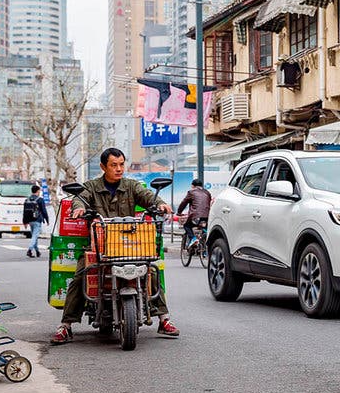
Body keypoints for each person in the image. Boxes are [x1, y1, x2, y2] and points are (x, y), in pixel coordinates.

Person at [50, 148, 179, 345]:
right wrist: (80, 208)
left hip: (129, 245)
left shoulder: (130, 186)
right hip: (100, 246)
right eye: (113, 165)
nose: (119, 169)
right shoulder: (92, 186)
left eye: (121, 164)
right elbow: (79, 198)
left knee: (151, 270)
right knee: (81, 275)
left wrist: (160, 204)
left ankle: (163, 319)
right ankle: (66, 326)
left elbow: (147, 196)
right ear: (103, 167)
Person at [177, 178, 212, 247]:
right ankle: (205, 248)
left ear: (193, 186)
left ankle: (193, 238)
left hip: (196, 217)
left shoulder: (191, 192)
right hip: (207, 216)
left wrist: (179, 212)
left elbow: (184, 203)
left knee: (187, 226)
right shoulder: (207, 192)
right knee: (205, 229)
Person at [24, 184, 50, 258]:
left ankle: (37, 251)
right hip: (37, 220)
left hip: (30, 220)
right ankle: (29, 249)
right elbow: (44, 211)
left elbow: (25, 212)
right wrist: (47, 220)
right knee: (35, 236)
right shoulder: (40, 199)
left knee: (34, 236)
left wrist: (25, 222)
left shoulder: (27, 199)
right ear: (38, 191)